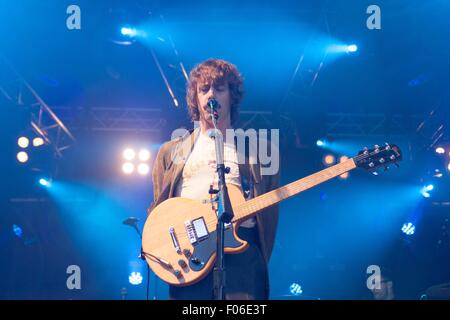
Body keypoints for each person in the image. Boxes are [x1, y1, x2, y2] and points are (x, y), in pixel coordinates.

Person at [148, 58, 279, 300]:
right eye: (204, 89)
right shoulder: (171, 151)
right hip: (190, 255)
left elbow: (269, 214)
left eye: (219, 89)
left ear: (232, 95)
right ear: (195, 98)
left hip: (240, 255)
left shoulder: (256, 152)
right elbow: (159, 206)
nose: (211, 95)